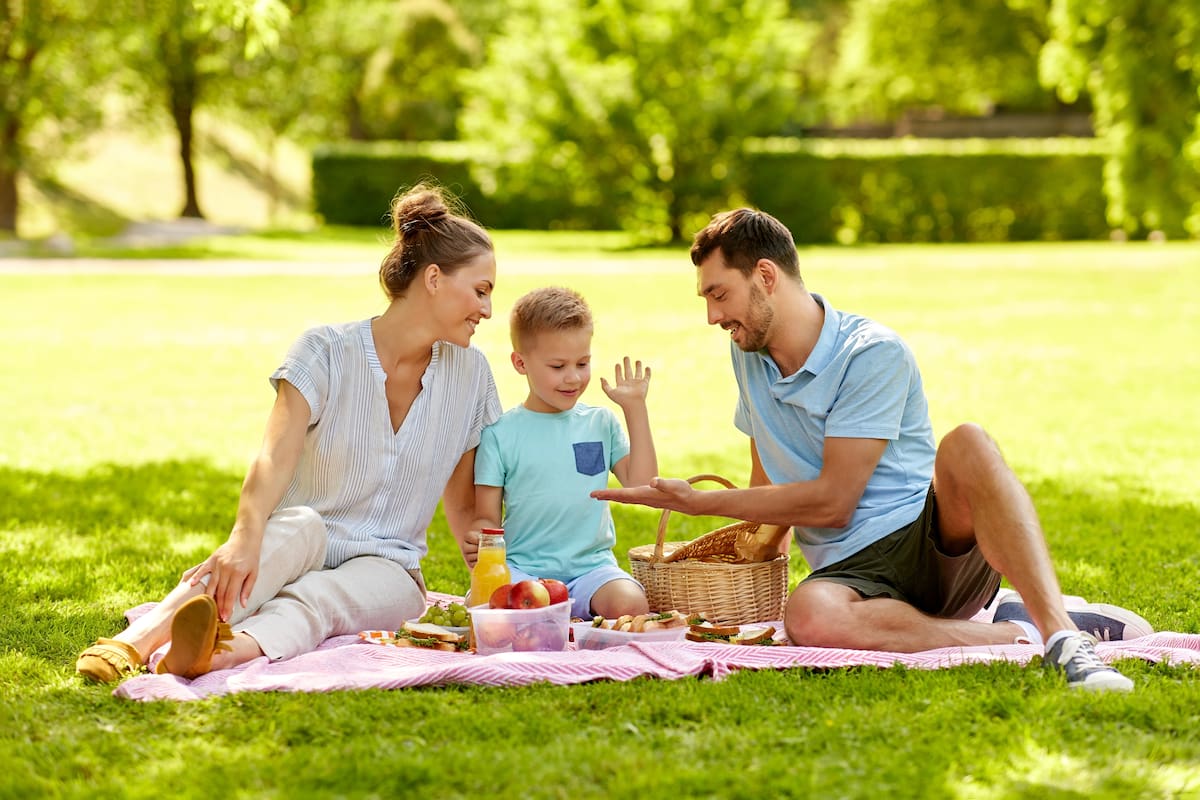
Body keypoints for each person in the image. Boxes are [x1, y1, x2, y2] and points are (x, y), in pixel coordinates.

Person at [593, 207, 1152, 692]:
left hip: (927, 543)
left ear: (764, 276)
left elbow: (835, 502)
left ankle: (1061, 638)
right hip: (852, 576)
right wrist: (736, 559)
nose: (713, 316)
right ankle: (1014, 632)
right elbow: (769, 483)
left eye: (719, 294)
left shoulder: (870, 353)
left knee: (969, 444)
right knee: (806, 615)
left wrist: (703, 503)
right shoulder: (747, 351)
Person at [75, 184, 501, 683]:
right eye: (481, 290)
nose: (488, 311)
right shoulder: (325, 349)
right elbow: (273, 456)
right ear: (433, 279)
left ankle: (213, 655)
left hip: (390, 569)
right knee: (294, 528)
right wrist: (243, 537)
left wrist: (487, 579)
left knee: (321, 599)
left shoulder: (472, 376)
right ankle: (135, 642)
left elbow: (465, 501)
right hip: (303, 536)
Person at [470, 286, 656, 620]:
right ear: (520, 362)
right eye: (557, 366)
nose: (573, 377)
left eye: (582, 363)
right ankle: (555, 617)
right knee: (486, 606)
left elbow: (642, 487)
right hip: (523, 570)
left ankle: (564, 614)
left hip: (592, 571)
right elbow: (486, 516)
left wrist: (635, 410)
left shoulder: (601, 423)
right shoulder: (500, 434)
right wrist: (480, 542)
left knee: (632, 605)